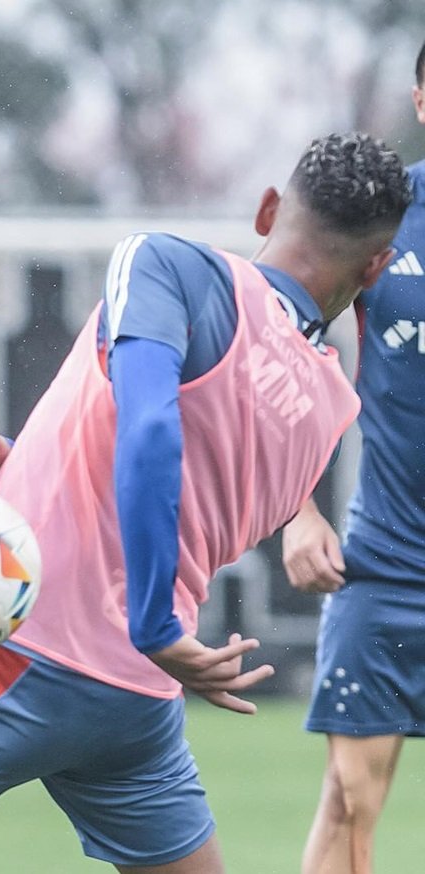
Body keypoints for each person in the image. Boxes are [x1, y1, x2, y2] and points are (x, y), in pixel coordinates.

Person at [0, 131, 411, 874]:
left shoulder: (169, 267)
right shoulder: (328, 405)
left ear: (268, 209)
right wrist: (18, 465)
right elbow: (188, 488)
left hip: (18, 648)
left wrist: (152, 619)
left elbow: (153, 432)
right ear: (375, 266)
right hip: (134, 704)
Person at [281, 44, 425, 874]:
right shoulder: (383, 218)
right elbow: (277, 357)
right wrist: (297, 510)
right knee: (347, 801)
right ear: (418, 100)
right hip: (389, 568)